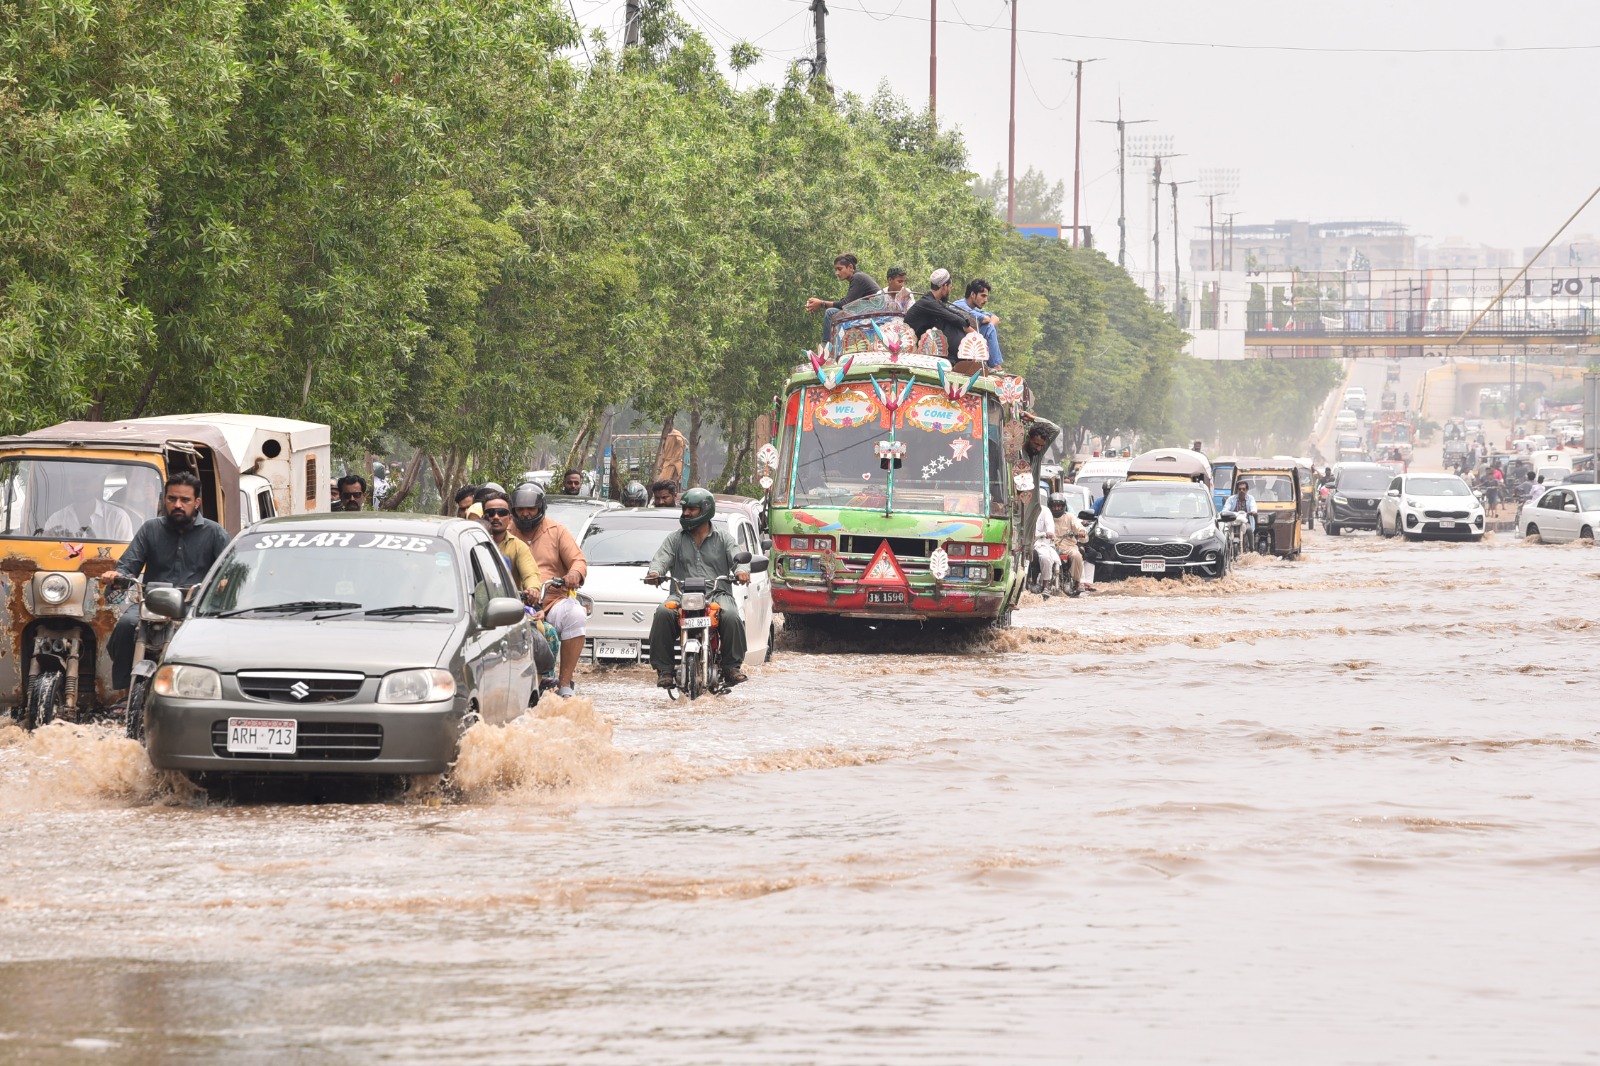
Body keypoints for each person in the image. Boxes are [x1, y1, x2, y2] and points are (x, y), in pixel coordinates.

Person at [98, 471, 230, 696]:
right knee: (124, 627)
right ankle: (124, 693)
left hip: (194, 606)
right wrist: (117, 574)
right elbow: (129, 564)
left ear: (196, 502)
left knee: (210, 640)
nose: (177, 505)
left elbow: (230, 571)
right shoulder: (151, 529)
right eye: (172, 499)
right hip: (152, 603)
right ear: (164, 500)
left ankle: (202, 692)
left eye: (185, 500)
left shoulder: (214, 532)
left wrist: (224, 583)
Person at [644, 489, 750, 689]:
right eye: (684, 508)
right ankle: (665, 669)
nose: (686, 513)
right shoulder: (674, 539)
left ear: (706, 510)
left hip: (717, 594)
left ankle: (731, 667)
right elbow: (661, 559)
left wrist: (742, 571)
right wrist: (655, 573)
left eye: (692, 509)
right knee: (662, 613)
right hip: (681, 594)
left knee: (732, 617)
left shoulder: (724, 539)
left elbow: (738, 558)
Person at [507, 482, 589, 699]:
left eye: (530, 509)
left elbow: (578, 561)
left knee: (576, 614)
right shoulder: (505, 533)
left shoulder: (558, 531)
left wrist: (574, 575)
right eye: (520, 510)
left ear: (540, 508)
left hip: (552, 600)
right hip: (514, 602)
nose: (525, 514)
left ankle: (564, 683)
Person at [41, 465, 135, 541]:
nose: (79, 487)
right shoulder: (55, 520)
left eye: (84, 482)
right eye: (74, 482)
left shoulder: (117, 518)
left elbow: (126, 558)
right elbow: (45, 551)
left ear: (97, 485)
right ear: (68, 486)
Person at [481, 489, 542, 596]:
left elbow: (530, 574)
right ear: (483, 517)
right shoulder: (472, 543)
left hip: (510, 607)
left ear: (510, 518)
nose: (496, 517)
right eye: (490, 513)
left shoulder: (518, 547)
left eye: (501, 513)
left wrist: (533, 589)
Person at [1017, 415, 1062, 560]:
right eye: (1036, 444)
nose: (1038, 448)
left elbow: (1055, 429)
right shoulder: (1017, 453)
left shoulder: (1038, 454)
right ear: (1028, 438)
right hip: (1017, 501)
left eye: (1041, 446)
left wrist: (1033, 418)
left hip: (1031, 503)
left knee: (1027, 541)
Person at [804, 253, 880, 340]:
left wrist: (822, 303)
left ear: (850, 267)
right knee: (833, 311)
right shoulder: (857, 277)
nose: (837, 273)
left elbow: (845, 304)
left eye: (839, 269)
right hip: (868, 311)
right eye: (836, 270)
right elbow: (848, 302)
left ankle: (827, 346)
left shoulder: (857, 277)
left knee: (830, 312)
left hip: (872, 312)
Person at [904, 268, 976, 357]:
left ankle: (962, 356)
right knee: (949, 322)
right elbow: (951, 316)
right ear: (944, 286)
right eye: (950, 287)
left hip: (924, 342)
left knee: (948, 322)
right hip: (911, 344)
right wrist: (972, 332)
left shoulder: (933, 301)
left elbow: (952, 312)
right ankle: (962, 355)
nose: (950, 290)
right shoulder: (928, 302)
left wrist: (966, 324)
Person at [951, 278, 1003, 368]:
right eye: (983, 296)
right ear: (972, 294)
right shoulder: (960, 306)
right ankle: (995, 366)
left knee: (989, 327)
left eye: (986, 296)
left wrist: (989, 325)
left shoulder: (974, 308)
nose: (986, 300)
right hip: (957, 340)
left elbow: (996, 318)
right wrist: (988, 324)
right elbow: (986, 319)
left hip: (972, 339)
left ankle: (993, 365)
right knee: (988, 327)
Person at [1048, 492, 1089, 594]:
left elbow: (1078, 526)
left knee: (1077, 555)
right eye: (1054, 506)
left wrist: (1081, 532)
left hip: (1069, 546)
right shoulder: (1047, 516)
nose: (1057, 508)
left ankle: (1077, 582)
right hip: (1050, 546)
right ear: (1050, 506)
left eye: (1059, 506)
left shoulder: (1070, 517)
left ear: (1063, 506)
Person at [1031, 497, 1058, 594]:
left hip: (1041, 543)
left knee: (1046, 558)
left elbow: (1049, 524)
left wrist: (1049, 532)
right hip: (1025, 543)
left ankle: (1045, 586)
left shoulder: (1045, 511)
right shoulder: (1023, 509)